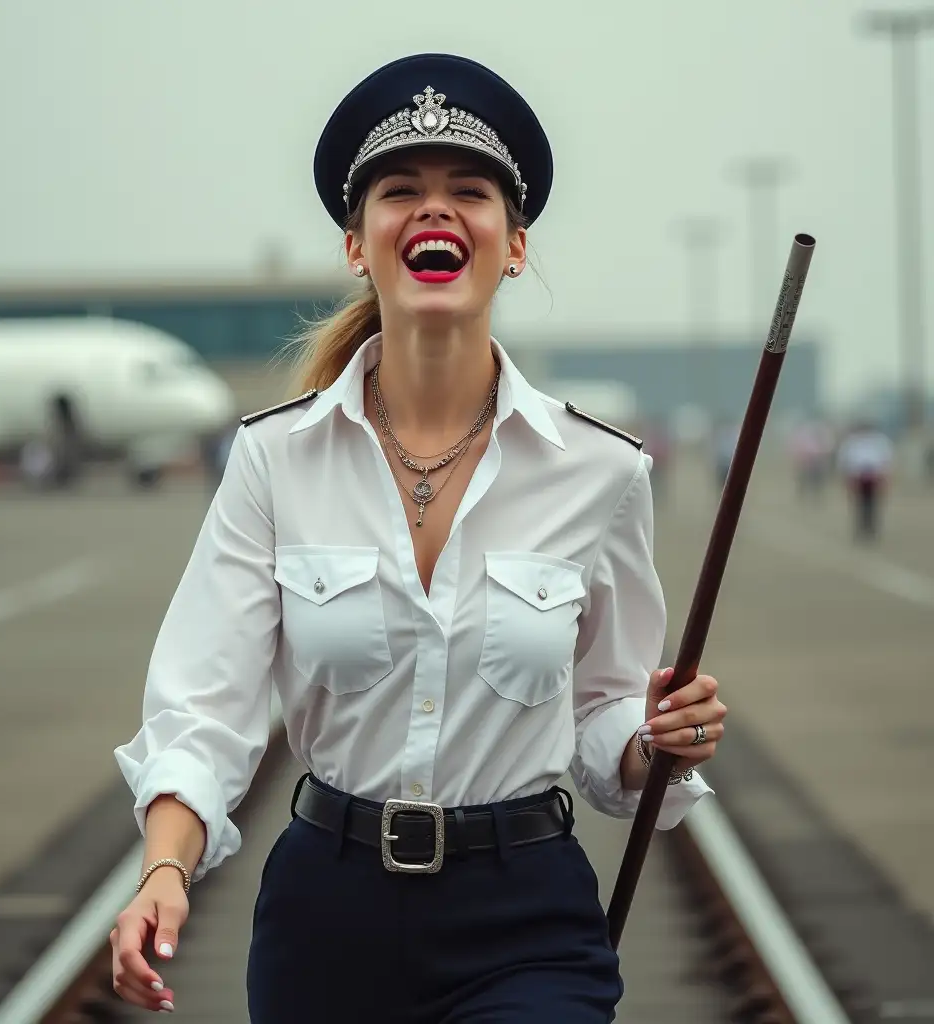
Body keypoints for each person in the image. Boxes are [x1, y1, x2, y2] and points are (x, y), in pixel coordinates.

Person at [109, 53, 727, 1022]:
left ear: (513, 243)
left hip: (526, 917)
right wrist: (164, 869)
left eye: (468, 193)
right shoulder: (274, 461)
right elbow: (205, 710)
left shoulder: (602, 471)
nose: (434, 211)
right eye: (401, 192)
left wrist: (658, 739)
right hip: (326, 916)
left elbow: (607, 714)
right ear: (358, 244)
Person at [836, 419, 893, 541]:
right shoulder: (852, 442)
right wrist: (847, 477)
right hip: (857, 476)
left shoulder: (879, 441)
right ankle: (861, 528)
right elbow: (844, 460)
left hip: (874, 476)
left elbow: (886, 459)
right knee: (860, 504)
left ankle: (871, 528)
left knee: (872, 503)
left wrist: (884, 477)